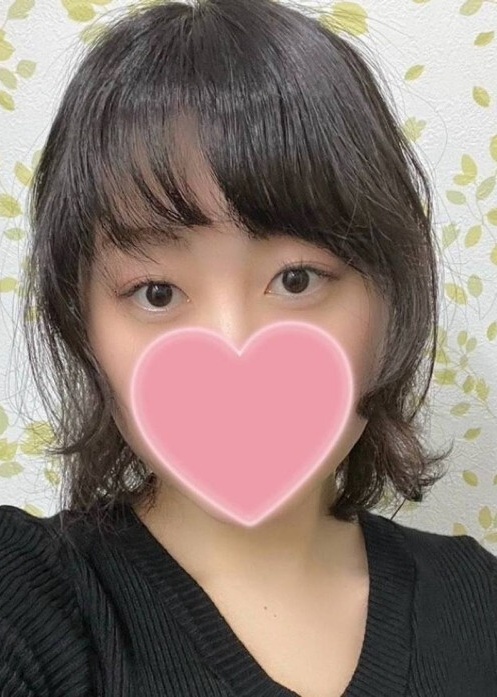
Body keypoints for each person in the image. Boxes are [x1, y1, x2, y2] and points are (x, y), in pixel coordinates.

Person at [1, 0, 496, 696]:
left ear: (391, 296)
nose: (232, 344)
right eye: (156, 293)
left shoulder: (478, 601)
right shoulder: (29, 595)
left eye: (296, 280)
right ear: (82, 326)